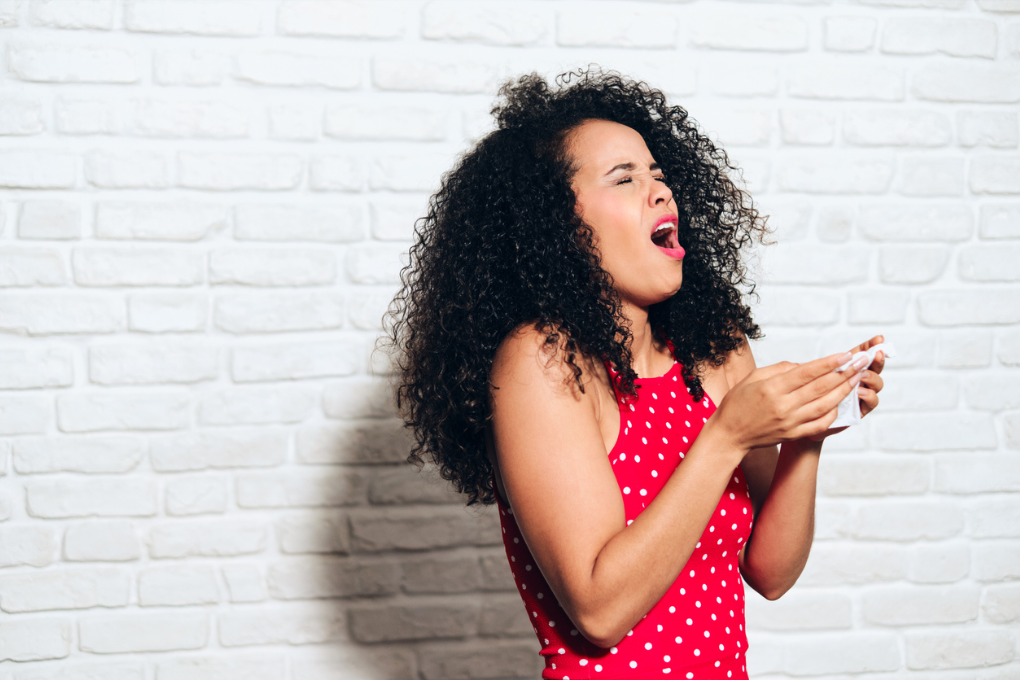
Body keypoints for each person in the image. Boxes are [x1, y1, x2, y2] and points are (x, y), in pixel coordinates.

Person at [386, 68, 885, 680]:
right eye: (624, 178)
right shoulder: (540, 362)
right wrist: (727, 436)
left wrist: (807, 429)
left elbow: (771, 573)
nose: (659, 192)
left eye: (659, 175)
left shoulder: (716, 350)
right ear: (556, 224)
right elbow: (599, 609)